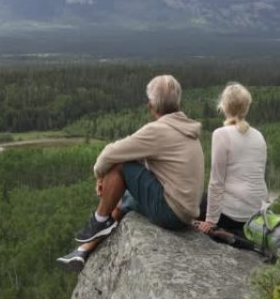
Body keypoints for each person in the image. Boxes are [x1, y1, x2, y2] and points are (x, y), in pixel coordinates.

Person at [57, 75, 204, 271]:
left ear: (151, 105)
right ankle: (83, 251)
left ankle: (99, 220)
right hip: (185, 212)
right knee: (124, 199)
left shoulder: (159, 130)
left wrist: (100, 176)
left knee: (122, 165)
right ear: (177, 102)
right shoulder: (186, 129)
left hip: (171, 212)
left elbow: (109, 154)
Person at [196, 82, 268, 242]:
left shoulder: (221, 134)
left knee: (192, 202)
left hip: (233, 216)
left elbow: (216, 181)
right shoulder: (259, 136)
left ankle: (223, 230)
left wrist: (210, 221)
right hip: (256, 214)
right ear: (247, 107)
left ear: (224, 106)